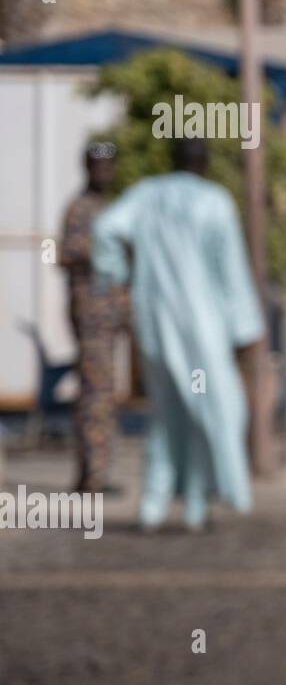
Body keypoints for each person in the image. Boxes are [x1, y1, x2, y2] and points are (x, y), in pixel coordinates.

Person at [93, 139, 264, 530]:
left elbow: (105, 228)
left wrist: (115, 274)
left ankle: (155, 505)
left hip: (154, 323)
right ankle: (197, 505)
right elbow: (231, 268)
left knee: (168, 414)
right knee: (211, 406)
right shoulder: (214, 200)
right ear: (203, 164)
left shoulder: (147, 194)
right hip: (203, 326)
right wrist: (245, 327)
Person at [60, 142, 130, 492]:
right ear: (87, 168)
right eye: (98, 166)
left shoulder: (111, 207)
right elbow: (67, 254)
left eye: (109, 166)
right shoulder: (81, 208)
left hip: (110, 315)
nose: (105, 173)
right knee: (96, 393)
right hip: (92, 316)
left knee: (101, 391)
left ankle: (93, 473)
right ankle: (94, 475)